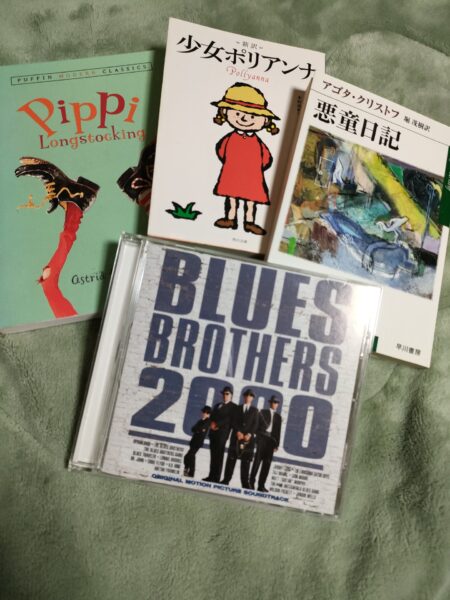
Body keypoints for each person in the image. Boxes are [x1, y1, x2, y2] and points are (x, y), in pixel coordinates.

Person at [211, 83, 280, 236]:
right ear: (225, 112)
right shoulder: (231, 138)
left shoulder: (257, 142)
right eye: (237, 113)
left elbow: (266, 159)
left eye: (253, 116)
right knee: (232, 196)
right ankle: (230, 218)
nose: (244, 118)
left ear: (265, 121)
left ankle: (249, 222)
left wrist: (254, 168)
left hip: (252, 176)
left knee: (251, 200)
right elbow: (221, 150)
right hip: (232, 172)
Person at [221, 389, 259, 489]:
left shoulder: (255, 411)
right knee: (231, 459)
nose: (247, 397)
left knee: (246, 462)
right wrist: (238, 431)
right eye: (246, 395)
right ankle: (226, 480)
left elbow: (255, 424)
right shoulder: (237, 408)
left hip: (248, 440)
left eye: (250, 396)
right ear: (243, 397)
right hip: (236, 437)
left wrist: (249, 434)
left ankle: (245, 484)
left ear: (252, 398)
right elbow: (233, 421)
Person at [203, 387, 236, 483]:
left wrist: (217, 424)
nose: (224, 395)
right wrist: (211, 424)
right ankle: (211, 476)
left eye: (227, 394)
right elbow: (211, 417)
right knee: (213, 455)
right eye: (223, 394)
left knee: (219, 455)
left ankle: (216, 477)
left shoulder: (233, 407)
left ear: (231, 395)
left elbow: (228, 419)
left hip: (222, 434)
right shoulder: (217, 405)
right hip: (213, 433)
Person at [250, 395, 282, 492]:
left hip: (271, 441)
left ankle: (261, 485)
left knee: (267, 464)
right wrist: (257, 439)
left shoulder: (278, 417)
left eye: (276, 403)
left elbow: (278, 432)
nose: (274, 404)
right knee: (257, 461)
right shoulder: (263, 412)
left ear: (278, 404)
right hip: (262, 439)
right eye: (273, 402)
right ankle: (251, 482)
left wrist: (277, 444)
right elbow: (256, 425)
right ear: (270, 403)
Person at [183, 406, 211, 478]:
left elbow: (201, 429)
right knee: (190, 456)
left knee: (190, 456)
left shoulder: (208, 421)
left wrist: (198, 429)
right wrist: (198, 430)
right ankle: (189, 471)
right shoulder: (200, 421)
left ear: (208, 414)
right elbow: (193, 429)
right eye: (203, 412)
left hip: (198, 442)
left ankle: (189, 471)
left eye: (204, 412)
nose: (203, 413)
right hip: (193, 441)